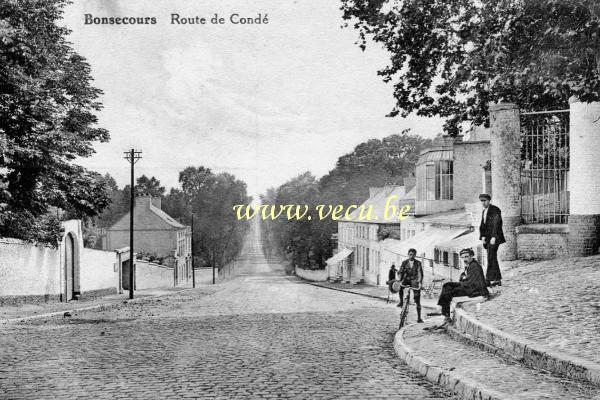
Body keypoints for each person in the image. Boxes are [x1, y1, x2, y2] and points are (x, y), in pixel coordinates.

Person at [437, 248, 489, 323]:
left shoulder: (475, 266)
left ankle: (446, 315)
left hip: (475, 290)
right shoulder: (469, 265)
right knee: (446, 285)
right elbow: (463, 278)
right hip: (468, 286)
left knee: (449, 292)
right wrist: (462, 280)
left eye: (466, 256)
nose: (464, 259)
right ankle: (443, 309)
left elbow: (471, 282)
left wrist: (461, 282)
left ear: (471, 256)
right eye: (463, 257)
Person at [478, 193, 506, 287]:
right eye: (481, 201)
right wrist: (482, 237)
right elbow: (483, 225)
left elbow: (497, 224)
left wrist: (494, 237)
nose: (483, 203)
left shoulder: (495, 210)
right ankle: (497, 279)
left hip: (495, 237)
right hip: (488, 238)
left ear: (489, 200)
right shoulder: (484, 211)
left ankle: (489, 279)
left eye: (485, 201)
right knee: (491, 257)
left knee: (491, 257)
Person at [398, 248, 424, 323]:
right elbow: (400, 271)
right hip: (406, 279)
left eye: (413, 255)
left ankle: (419, 318)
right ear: (408, 254)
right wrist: (399, 279)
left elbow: (420, 272)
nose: (411, 256)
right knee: (400, 287)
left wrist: (419, 282)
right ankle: (401, 302)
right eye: (410, 254)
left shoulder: (418, 263)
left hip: (414, 280)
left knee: (417, 297)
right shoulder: (404, 263)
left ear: (415, 255)